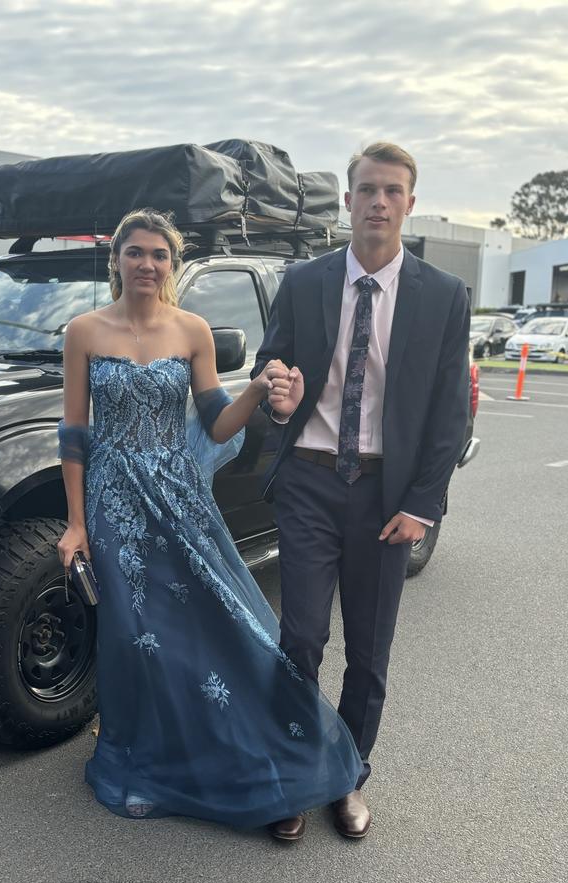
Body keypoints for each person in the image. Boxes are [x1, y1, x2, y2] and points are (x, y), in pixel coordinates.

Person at [58, 208, 361, 839]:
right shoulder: (82, 331)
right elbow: (75, 435)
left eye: (159, 254)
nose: (147, 264)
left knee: (215, 621)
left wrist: (256, 391)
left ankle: (267, 748)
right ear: (116, 258)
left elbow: (218, 423)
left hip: (180, 498)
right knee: (135, 632)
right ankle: (156, 748)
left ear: (172, 263)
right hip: (115, 507)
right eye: (135, 252)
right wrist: (75, 523)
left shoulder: (192, 329)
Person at [253, 142, 471, 840]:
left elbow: (448, 412)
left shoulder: (442, 296)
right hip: (311, 481)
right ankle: (293, 776)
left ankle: (347, 777)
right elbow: (270, 370)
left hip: (387, 495)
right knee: (302, 637)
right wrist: (278, 397)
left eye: (393, 190)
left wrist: (423, 503)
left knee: (370, 653)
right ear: (347, 201)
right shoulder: (303, 282)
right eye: (367, 189)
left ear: (410, 202)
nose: (379, 202)